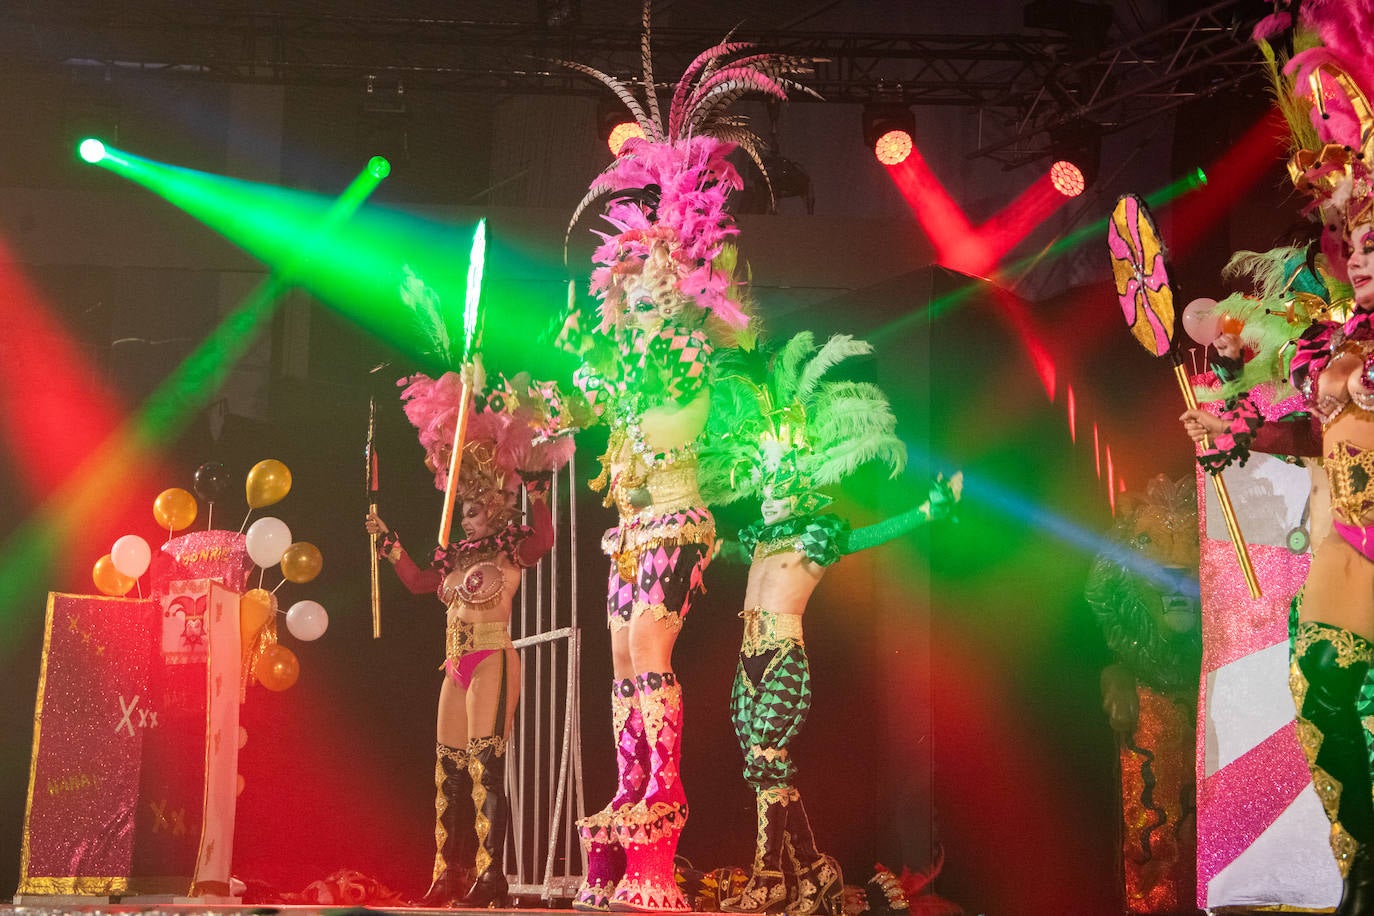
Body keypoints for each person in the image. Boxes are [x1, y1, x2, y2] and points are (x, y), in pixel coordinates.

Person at [558, 14, 812, 913]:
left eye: (645, 283)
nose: (630, 295)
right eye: (624, 286)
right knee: (626, 653)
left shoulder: (692, 345)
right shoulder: (627, 364)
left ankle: (659, 828)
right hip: (629, 526)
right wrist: (580, 373)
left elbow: (718, 297)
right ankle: (633, 797)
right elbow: (593, 397)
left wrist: (687, 243)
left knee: (651, 646)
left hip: (674, 517)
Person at [1179, 12, 1374, 909]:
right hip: (1337, 597)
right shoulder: (1324, 348)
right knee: (1328, 712)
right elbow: (1268, 404)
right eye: (1350, 222)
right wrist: (1223, 426)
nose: (1360, 238)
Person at [699, 331, 959, 916]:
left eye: (778, 481)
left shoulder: (819, 537)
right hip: (748, 665)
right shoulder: (764, 536)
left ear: (801, 483)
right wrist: (705, 544)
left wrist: (924, 511)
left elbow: (864, 538)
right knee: (763, 773)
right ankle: (814, 872)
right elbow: (738, 557)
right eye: (763, 481)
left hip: (785, 659)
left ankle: (770, 875)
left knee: (766, 761)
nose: (767, 492)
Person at [366, 369, 568, 908]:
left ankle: (489, 874)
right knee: (448, 772)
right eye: (463, 511)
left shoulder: (511, 550)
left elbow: (544, 542)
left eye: (474, 511)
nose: (466, 518)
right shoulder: (453, 562)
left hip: (492, 659)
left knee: (485, 765)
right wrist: (387, 544)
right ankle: (447, 873)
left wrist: (537, 493)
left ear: (496, 510)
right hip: (452, 666)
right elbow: (415, 583)